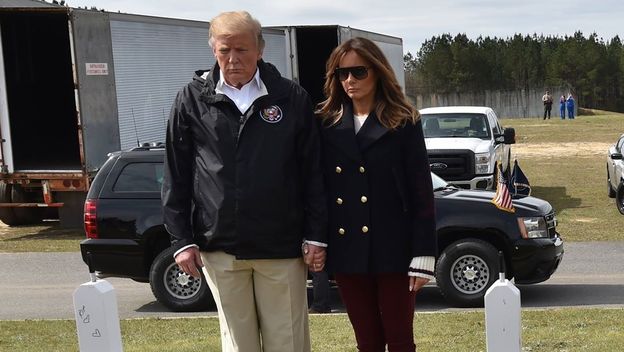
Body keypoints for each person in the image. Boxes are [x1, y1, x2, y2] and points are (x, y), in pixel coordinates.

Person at [161, 11, 327, 352]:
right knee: (238, 345)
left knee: (289, 343)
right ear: (213, 50)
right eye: (225, 50)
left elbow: (312, 171)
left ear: (260, 49)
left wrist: (316, 235)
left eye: (242, 49)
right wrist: (181, 240)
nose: (233, 59)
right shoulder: (191, 99)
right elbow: (176, 174)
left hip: (281, 247)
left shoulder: (290, 97)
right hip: (220, 247)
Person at [316, 37, 437, 352]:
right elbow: (318, 188)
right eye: (341, 74)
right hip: (347, 248)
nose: (349, 81)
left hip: (393, 247)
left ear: (378, 71)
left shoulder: (404, 121)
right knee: (366, 341)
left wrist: (424, 251)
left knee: (399, 340)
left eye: (358, 72)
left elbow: (421, 190)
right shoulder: (326, 123)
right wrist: (316, 238)